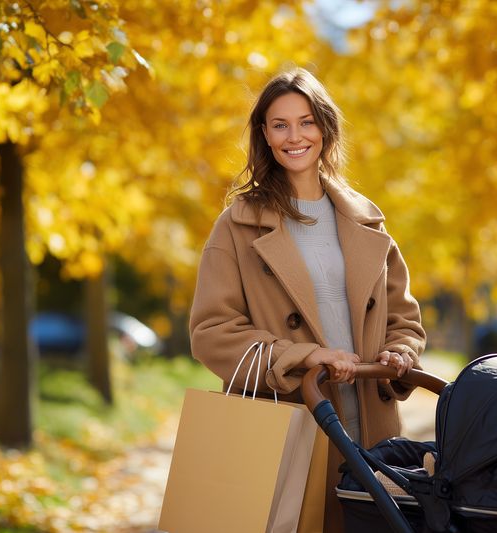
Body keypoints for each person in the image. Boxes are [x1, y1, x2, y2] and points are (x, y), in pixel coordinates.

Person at [189, 67, 426, 532]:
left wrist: (399, 352)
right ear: (264, 134)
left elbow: (403, 318)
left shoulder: (367, 221)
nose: (294, 136)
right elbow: (211, 333)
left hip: (371, 423)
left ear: (325, 127)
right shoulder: (236, 226)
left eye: (306, 121)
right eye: (280, 124)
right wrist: (304, 356)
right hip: (290, 425)